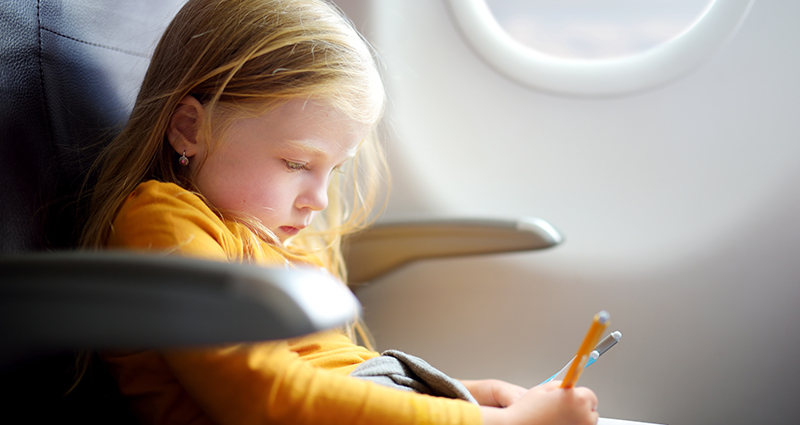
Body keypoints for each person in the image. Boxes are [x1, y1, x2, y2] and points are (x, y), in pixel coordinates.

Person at [80, 0, 599, 424]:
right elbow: (266, 397)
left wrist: (465, 393)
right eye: (296, 162)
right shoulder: (164, 221)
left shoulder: (277, 239)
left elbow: (329, 373)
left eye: (335, 170)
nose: (319, 200)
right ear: (189, 129)